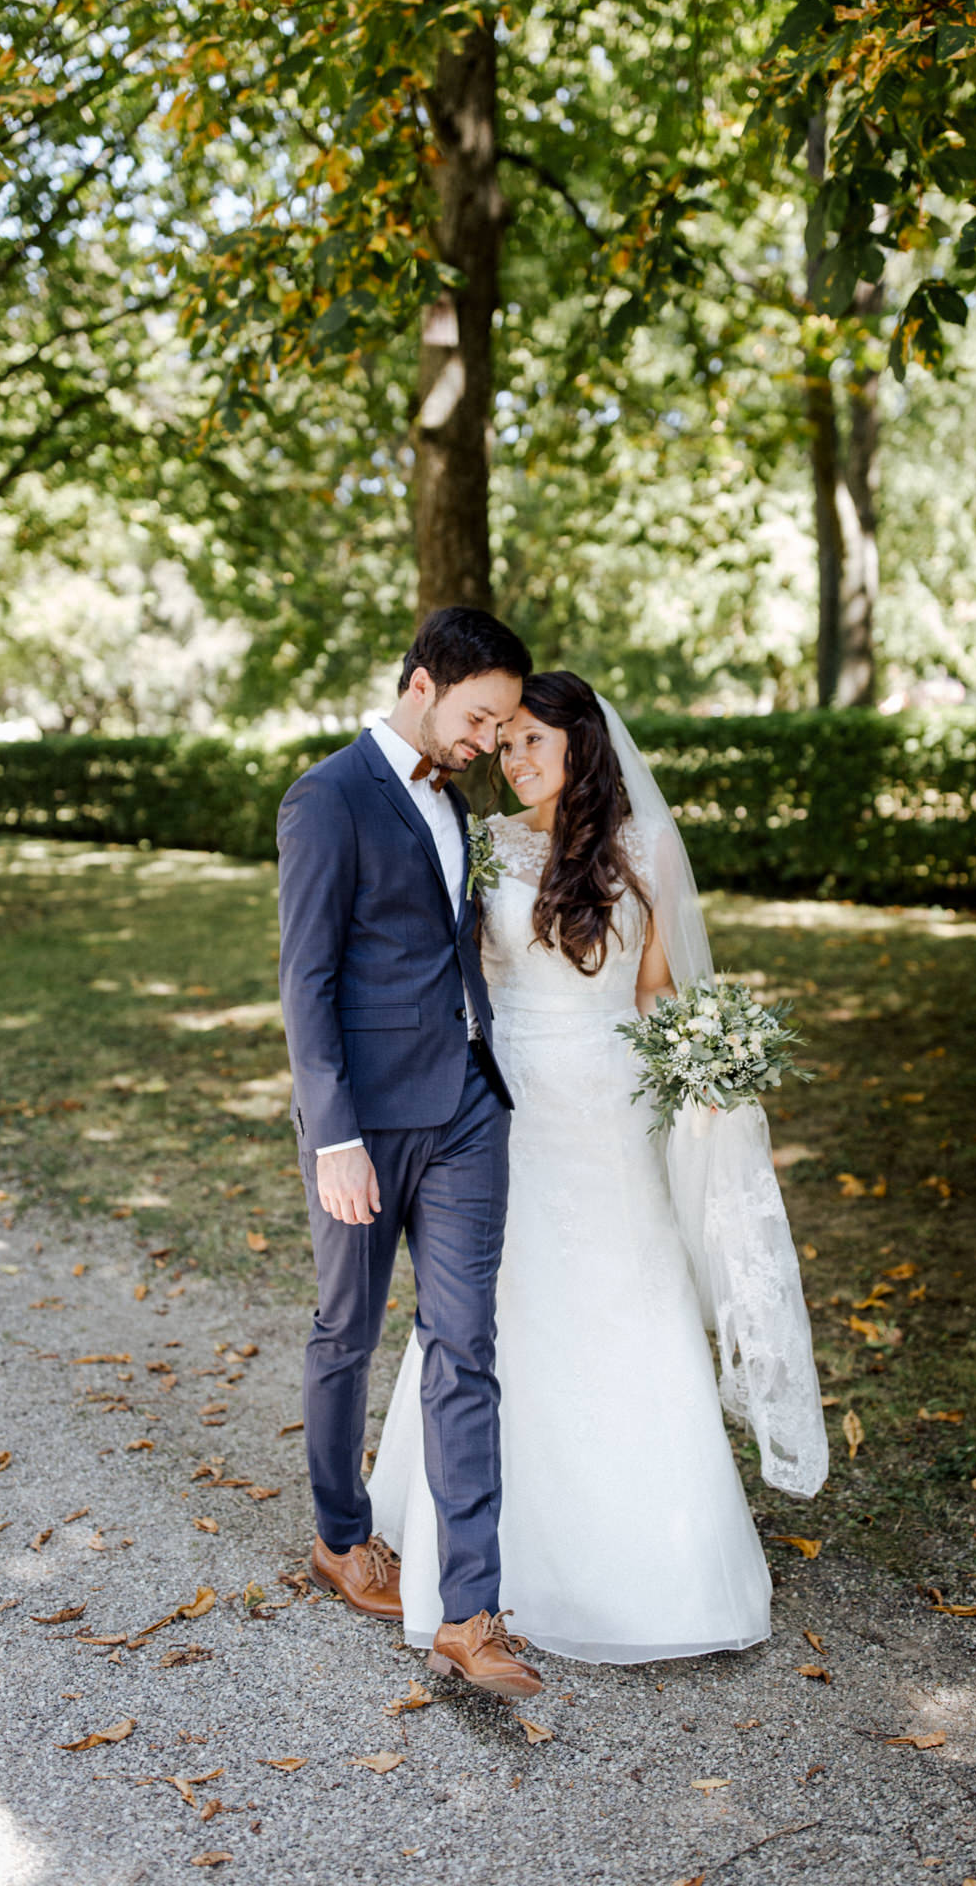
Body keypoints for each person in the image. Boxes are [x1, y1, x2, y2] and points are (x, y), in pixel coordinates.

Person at [368, 671, 828, 1664]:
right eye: (505, 745)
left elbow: (653, 988)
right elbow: (456, 979)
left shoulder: (647, 847)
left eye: (534, 739)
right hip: (507, 1105)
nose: (516, 759)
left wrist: (703, 1054)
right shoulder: (485, 848)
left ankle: (650, 1564)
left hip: (610, 1111)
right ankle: (475, 1551)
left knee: (627, 1297)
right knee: (493, 1304)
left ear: (582, 741)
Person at [276, 605, 545, 1699]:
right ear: (425, 685)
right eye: (481, 716)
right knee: (346, 1327)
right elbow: (308, 980)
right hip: (367, 1120)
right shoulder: (326, 797)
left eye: (504, 725)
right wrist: (333, 1132)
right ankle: (343, 1535)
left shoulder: (459, 791)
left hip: (470, 1105)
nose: (488, 742)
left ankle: (469, 1612)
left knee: (463, 1343)